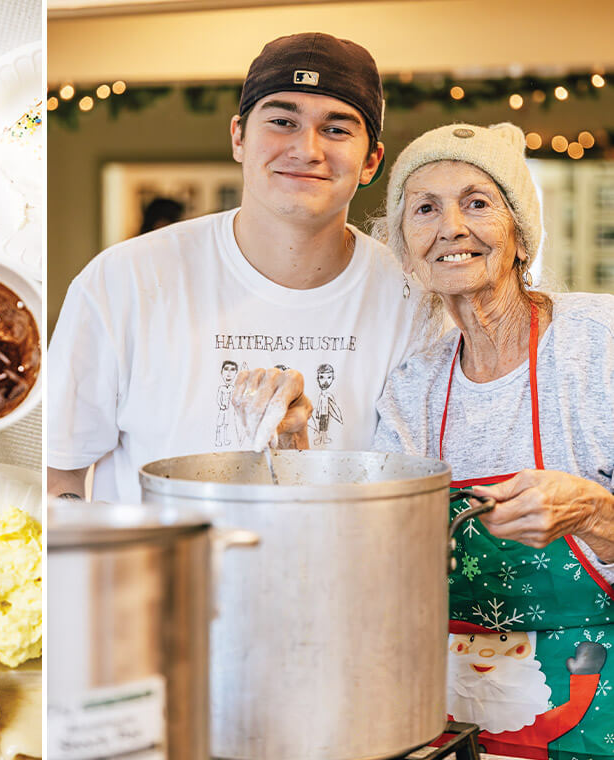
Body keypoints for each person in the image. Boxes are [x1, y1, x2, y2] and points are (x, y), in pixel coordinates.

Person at [48, 32, 420, 503]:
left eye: (336, 129)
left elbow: (417, 485)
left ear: (371, 162)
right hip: (153, 573)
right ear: (239, 138)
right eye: (282, 120)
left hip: (337, 573)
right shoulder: (125, 280)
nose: (307, 149)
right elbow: (57, 474)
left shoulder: (413, 302)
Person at [371, 121, 614, 759]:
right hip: (449, 725)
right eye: (425, 209)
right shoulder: (411, 384)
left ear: (520, 233)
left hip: (592, 715)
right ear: (404, 249)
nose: (451, 226)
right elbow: (377, 562)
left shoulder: (600, 344)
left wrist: (592, 511)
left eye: (477, 202)